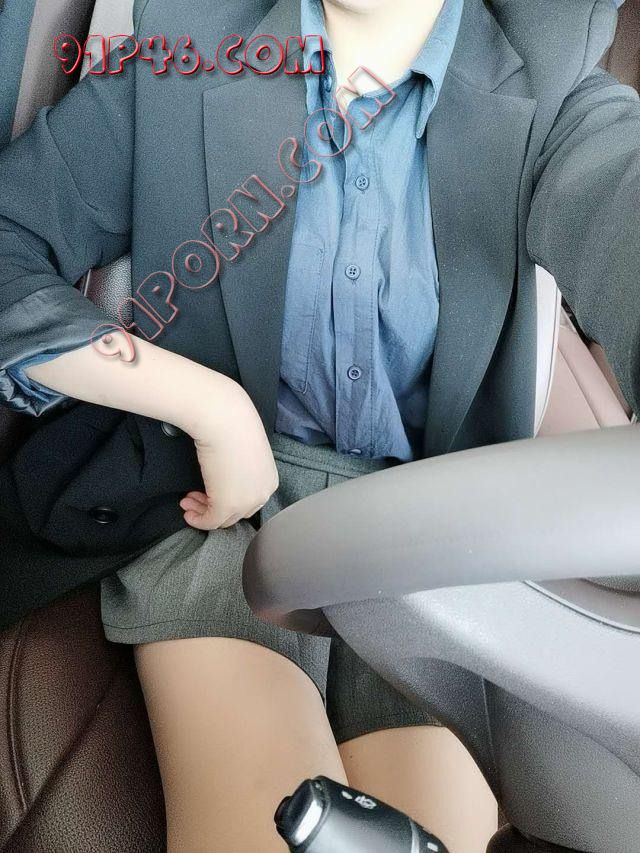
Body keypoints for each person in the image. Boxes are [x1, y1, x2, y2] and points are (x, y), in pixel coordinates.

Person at [0, 0, 638, 850]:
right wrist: (203, 403)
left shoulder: (551, 82)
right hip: (211, 505)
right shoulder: (185, 51)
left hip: (429, 541)